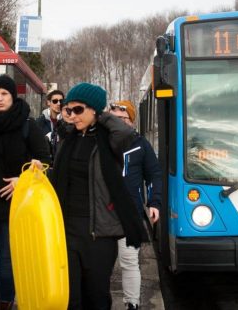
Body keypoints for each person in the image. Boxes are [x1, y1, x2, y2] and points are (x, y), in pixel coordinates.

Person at [50, 82, 144, 310]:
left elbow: (126, 132)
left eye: (79, 110)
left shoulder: (109, 139)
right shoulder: (68, 140)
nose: (73, 116)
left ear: (94, 110)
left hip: (99, 233)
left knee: (97, 296)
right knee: (71, 298)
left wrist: (102, 116)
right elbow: (56, 175)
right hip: (68, 229)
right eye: (69, 110)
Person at [0, 74, 51, 310]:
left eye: (4, 94)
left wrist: (22, 180)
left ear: (13, 96)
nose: (0, 99)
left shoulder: (27, 124)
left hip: (16, 205)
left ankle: (6, 303)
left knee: (8, 262)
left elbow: (44, 161)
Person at [109, 101, 162, 310]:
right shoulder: (98, 143)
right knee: (99, 265)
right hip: (102, 213)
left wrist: (154, 202)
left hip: (130, 213)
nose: (119, 123)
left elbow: (154, 174)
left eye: (124, 119)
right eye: (114, 119)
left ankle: (132, 303)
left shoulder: (141, 144)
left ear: (131, 122)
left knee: (129, 261)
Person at [34, 89, 65, 159]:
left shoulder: (67, 122)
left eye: (61, 101)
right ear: (48, 102)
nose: (59, 104)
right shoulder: (39, 122)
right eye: (55, 101)